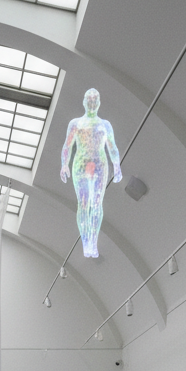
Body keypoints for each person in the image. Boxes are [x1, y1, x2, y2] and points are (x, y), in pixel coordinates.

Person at [60, 88, 122, 258]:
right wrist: (64, 164)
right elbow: (67, 146)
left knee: (96, 203)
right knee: (83, 203)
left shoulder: (105, 125)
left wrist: (117, 165)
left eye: (95, 100)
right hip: (80, 164)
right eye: (89, 100)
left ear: (99, 103)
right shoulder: (75, 123)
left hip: (100, 164)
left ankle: (93, 242)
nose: (92, 103)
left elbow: (112, 146)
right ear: (84, 102)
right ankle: (86, 240)